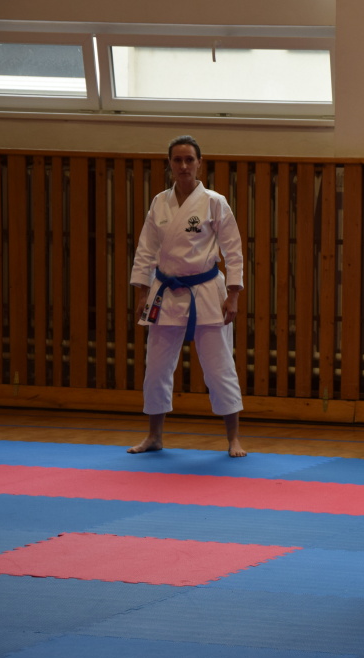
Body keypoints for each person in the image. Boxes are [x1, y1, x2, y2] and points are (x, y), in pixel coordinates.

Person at [128, 135, 246, 457]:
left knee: (219, 367)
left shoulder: (214, 202)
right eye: (177, 160)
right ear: (169, 164)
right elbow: (145, 250)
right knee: (156, 368)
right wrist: (141, 291)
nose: (183, 166)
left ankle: (234, 438)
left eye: (189, 159)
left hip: (206, 291)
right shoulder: (159, 202)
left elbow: (233, 251)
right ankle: (154, 436)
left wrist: (233, 294)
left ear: (199, 163)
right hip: (165, 292)